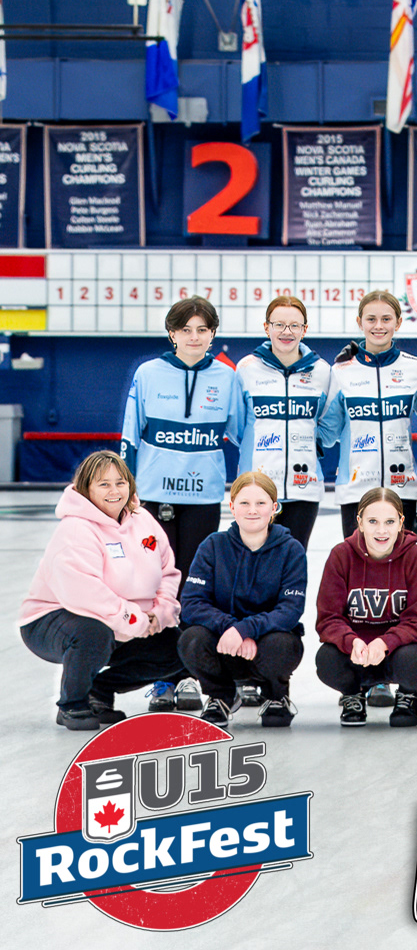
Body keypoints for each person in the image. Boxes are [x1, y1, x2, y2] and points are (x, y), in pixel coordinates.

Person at [121, 297, 251, 710]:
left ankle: (189, 674)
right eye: (186, 330)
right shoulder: (148, 373)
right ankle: (162, 677)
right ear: (172, 333)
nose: (194, 337)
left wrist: (248, 486)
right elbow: (130, 434)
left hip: (203, 497)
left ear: (212, 334)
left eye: (202, 330)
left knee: (194, 587)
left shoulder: (227, 378)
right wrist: (127, 489)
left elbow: (243, 435)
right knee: (154, 584)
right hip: (154, 496)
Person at [20, 452, 187, 729]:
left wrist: (159, 613)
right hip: (51, 619)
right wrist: (134, 619)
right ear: (86, 488)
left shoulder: (143, 519)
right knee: (93, 633)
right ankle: (73, 704)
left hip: (124, 619)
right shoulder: (76, 528)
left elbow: (167, 571)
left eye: (120, 482)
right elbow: (85, 594)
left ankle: (98, 691)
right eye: (104, 484)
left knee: (177, 647)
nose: (114, 491)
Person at [175, 470, 307, 728]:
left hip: (266, 646)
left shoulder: (291, 549)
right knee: (191, 639)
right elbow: (191, 604)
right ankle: (220, 697)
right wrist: (231, 628)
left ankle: (275, 696)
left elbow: (290, 610)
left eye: (261, 503)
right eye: (244, 503)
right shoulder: (213, 546)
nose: (252, 510)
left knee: (283, 645)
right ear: (232, 507)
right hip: (224, 644)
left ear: (274, 507)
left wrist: (246, 629)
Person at [236, 294, 347, 551]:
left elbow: (331, 425)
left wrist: (309, 445)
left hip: (303, 488)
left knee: (294, 560)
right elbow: (236, 426)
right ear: (267, 328)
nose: (287, 332)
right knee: (252, 560)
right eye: (279, 324)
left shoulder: (321, 371)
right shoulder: (246, 369)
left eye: (294, 325)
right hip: (256, 488)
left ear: (304, 330)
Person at [315, 487, 417, 727]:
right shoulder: (341, 555)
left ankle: (407, 694)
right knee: (327, 659)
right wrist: (352, 641)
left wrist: (385, 642)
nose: (381, 530)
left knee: (415, 658)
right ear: (359, 522)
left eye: (389, 521)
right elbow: (328, 618)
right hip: (357, 653)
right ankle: (353, 694)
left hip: (397, 651)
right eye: (372, 521)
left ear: (401, 523)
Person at [330, 290, 417, 537]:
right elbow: (327, 431)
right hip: (355, 489)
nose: (379, 326)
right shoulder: (340, 371)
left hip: (402, 488)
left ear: (398, 322)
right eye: (371, 319)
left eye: (386, 319)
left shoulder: (416, 368)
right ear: (359, 322)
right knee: (358, 558)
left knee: (402, 559)